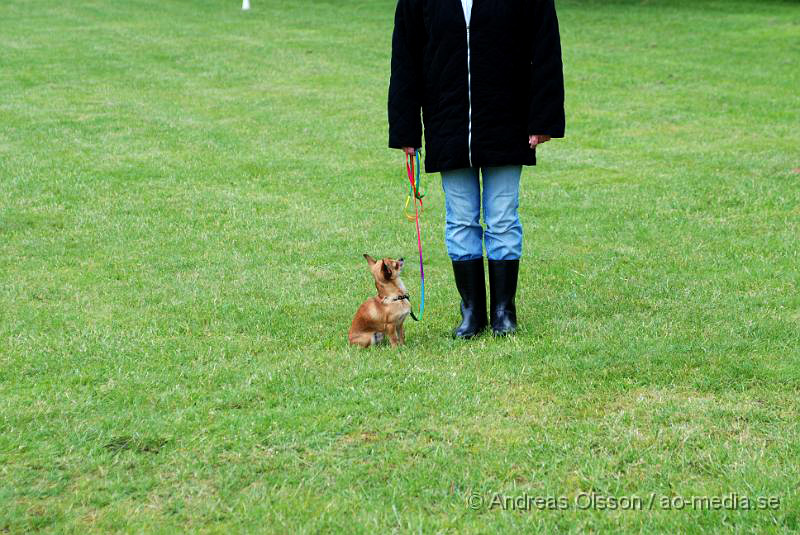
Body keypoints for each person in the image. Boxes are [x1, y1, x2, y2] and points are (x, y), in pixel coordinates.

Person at [388, 0, 565, 338]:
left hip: (507, 121)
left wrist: (543, 118)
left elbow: (545, 47)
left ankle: (503, 312)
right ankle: (471, 313)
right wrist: (405, 130)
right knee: (461, 218)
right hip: (447, 122)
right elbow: (406, 57)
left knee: (502, 217)